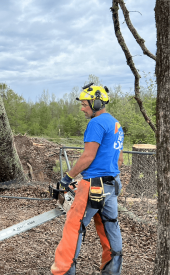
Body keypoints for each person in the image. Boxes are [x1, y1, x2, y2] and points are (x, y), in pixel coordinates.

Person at [51, 84, 124, 274]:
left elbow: (87, 157)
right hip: (111, 184)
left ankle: (64, 271)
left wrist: (68, 177)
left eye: (85, 104)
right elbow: (119, 159)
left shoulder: (96, 123)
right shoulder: (116, 124)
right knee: (110, 225)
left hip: (94, 185)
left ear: (97, 102)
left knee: (74, 227)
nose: (82, 108)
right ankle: (112, 270)